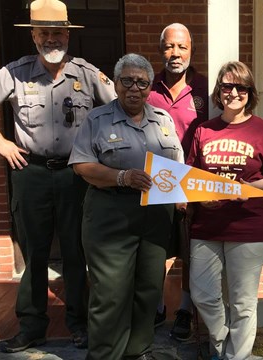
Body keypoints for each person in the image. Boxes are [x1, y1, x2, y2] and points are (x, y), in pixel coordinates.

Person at [0, 0, 116, 353]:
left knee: (78, 251)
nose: (51, 38)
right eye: (43, 32)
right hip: (29, 173)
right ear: (33, 35)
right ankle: (31, 327)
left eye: (57, 31)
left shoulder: (87, 74)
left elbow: (118, 107)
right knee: (35, 254)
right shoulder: (15, 72)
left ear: (68, 34)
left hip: (77, 175)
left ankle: (79, 323)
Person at [69, 53, 184, 360]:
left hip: (157, 215)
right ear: (117, 83)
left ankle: (138, 351)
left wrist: (185, 196)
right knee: (110, 294)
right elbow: (81, 165)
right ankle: (106, 355)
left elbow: (178, 164)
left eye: (142, 83)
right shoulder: (97, 119)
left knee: (148, 289)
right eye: (128, 81)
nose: (135, 88)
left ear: (149, 87)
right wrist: (122, 177)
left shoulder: (163, 119)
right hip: (111, 213)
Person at [187, 61, 263, 360]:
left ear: (249, 92)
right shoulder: (204, 129)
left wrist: (249, 188)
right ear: (219, 92)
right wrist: (199, 198)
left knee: (243, 303)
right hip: (207, 226)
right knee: (202, 293)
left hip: (249, 227)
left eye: (240, 87)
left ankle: (236, 357)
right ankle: (221, 344)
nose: (233, 93)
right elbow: (191, 175)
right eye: (227, 87)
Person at [147, 22, 209, 341]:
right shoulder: (147, 87)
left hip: (192, 178)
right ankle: (157, 306)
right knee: (157, 247)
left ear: (191, 51)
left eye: (182, 47)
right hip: (154, 177)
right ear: (161, 51)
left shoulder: (205, 89)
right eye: (170, 46)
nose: (176, 53)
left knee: (189, 249)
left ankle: (184, 308)